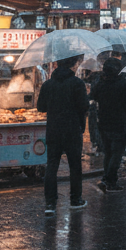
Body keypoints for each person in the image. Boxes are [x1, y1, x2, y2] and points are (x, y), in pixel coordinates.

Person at [37, 56, 89, 215]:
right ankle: (75, 199)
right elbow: (84, 106)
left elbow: (41, 107)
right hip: (72, 129)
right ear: (73, 65)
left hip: (53, 129)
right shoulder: (77, 84)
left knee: (51, 165)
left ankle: (50, 204)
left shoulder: (48, 84)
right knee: (75, 165)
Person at [89, 57, 126, 193]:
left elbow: (92, 96)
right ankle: (108, 179)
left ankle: (110, 181)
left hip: (104, 122)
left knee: (108, 152)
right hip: (120, 122)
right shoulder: (123, 84)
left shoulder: (101, 83)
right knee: (117, 153)